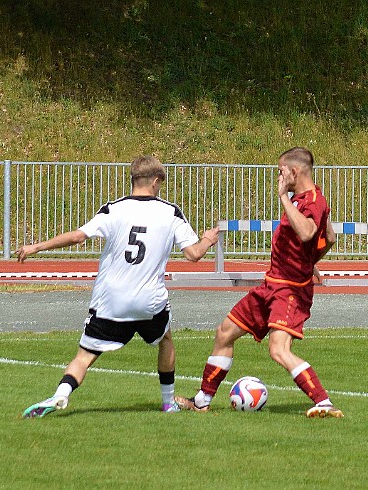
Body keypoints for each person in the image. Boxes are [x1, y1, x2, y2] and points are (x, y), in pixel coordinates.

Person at [17, 155, 219, 417]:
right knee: (165, 339)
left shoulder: (113, 209)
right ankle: (168, 403)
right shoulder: (170, 212)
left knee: (85, 356)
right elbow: (193, 254)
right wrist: (207, 239)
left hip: (111, 301)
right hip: (149, 302)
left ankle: (60, 395)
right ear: (156, 181)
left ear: (134, 179)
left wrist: (37, 246)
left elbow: (78, 237)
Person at [175, 147, 343, 418]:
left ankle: (323, 402)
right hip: (271, 284)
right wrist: (312, 261)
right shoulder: (302, 199)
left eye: (280, 171)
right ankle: (202, 400)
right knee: (224, 332)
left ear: (294, 172)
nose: (278, 176)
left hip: (290, 290)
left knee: (278, 350)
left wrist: (282, 198)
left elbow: (308, 232)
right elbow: (330, 238)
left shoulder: (312, 200)